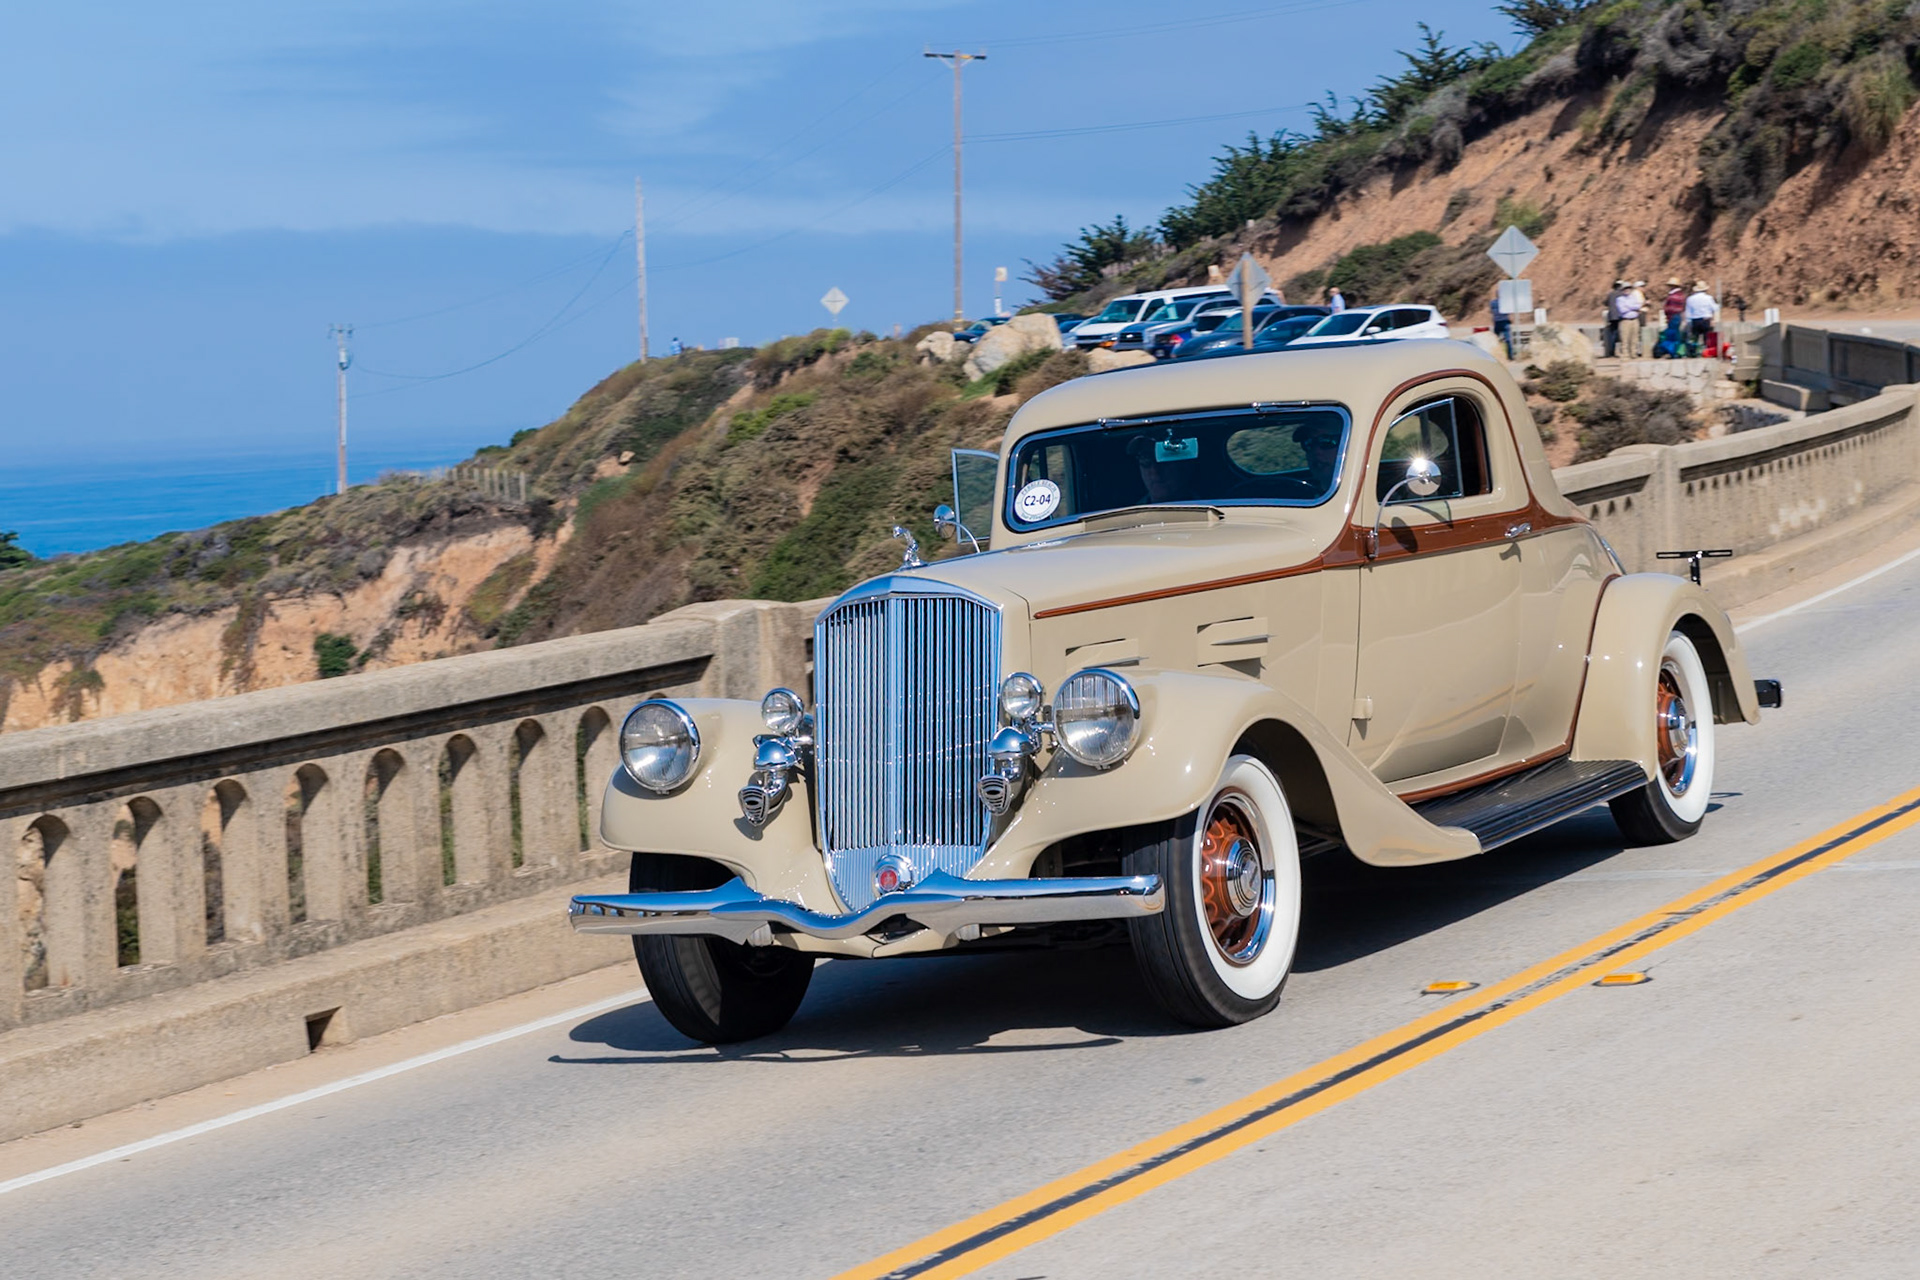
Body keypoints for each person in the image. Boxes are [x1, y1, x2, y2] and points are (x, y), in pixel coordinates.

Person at [1684, 281, 1719, 348]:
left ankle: (1693, 351)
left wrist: (1688, 321)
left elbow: (1688, 311)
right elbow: (1715, 308)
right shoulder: (1709, 298)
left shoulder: (1690, 299)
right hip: (1706, 320)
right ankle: (1706, 351)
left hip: (1695, 320)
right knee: (1707, 337)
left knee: (1695, 337)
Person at [1617, 280, 1647, 359]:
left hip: (1634, 319)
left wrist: (1628, 306)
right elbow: (1622, 310)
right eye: (1625, 288)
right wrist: (1632, 307)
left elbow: (1638, 306)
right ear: (1622, 290)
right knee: (1625, 339)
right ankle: (1625, 355)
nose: (1627, 290)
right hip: (1625, 320)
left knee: (1634, 338)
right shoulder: (1620, 299)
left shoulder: (1633, 297)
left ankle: (1633, 353)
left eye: (1628, 288)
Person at [1603, 279, 1626, 358]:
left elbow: (1605, 303)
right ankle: (1622, 351)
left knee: (1612, 335)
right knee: (1620, 334)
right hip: (1620, 316)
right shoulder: (1622, 294)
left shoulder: (1611, 294)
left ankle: (1611, 351)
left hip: (1612, 317)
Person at [1490, 289, 1514, 359]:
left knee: (1496, 340)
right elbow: (1509, 311)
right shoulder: (1505, 302)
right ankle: (1510, 356)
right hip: (1505, 322)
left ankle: (1496, 355)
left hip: (1497, 322)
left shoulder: (1492, 303)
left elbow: (1492, 311)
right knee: (1508, 340)